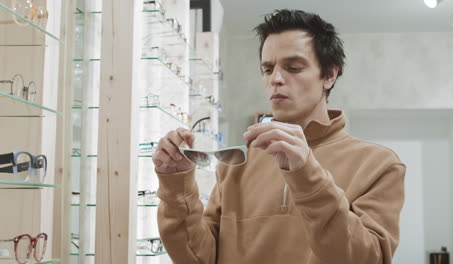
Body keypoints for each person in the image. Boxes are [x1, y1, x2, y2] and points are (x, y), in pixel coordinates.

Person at [153, 9, 406, 264]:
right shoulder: (238, 163)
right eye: (267, 69)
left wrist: (307, 173)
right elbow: (198, 259)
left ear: (329, 75)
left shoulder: (379, 165)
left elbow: (366, 259)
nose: (275, 79)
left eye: (293, 68)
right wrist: (176, 185)